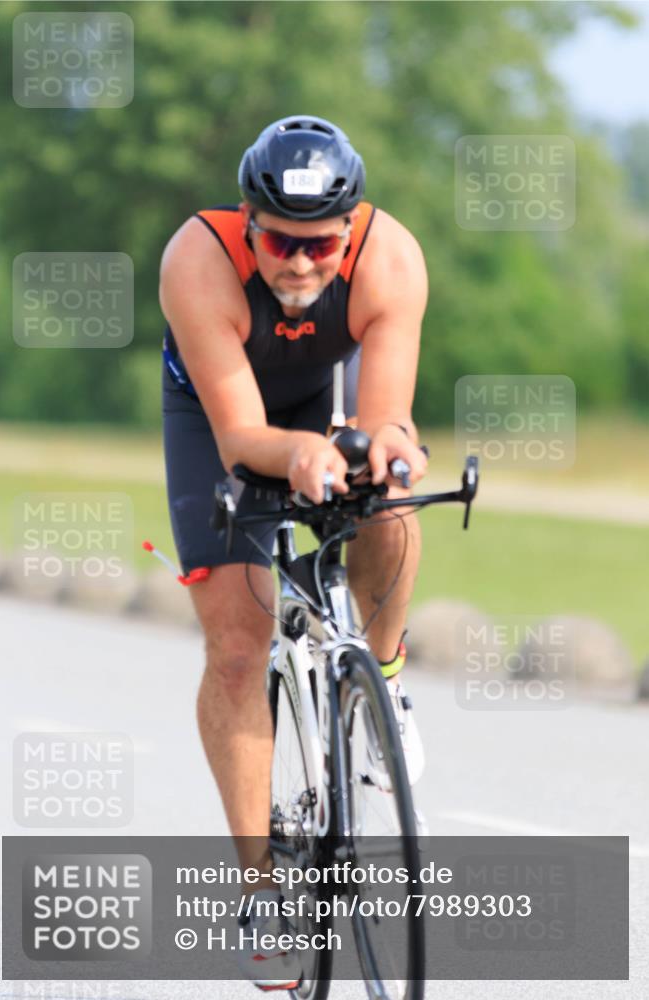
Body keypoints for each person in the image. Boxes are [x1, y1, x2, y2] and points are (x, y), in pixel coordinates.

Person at [159, 114, 428, 991]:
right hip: (217, 418)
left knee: (387, 496)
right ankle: (261, 892)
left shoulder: (390, 257)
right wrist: (298, 454)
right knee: (237, 648)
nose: (300, 262)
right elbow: (241, 437)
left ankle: (380, 678)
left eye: (319, 245)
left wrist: (382, 450)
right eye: (278, 240)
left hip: (326, 399)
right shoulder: (198, 261)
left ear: (348, 232)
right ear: (248, 222)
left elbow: (384, 411)